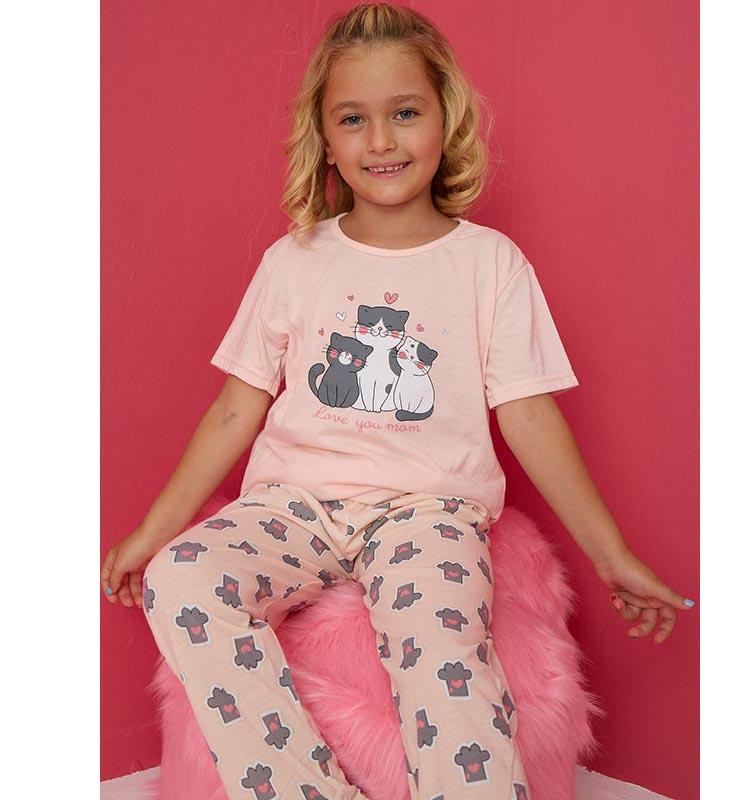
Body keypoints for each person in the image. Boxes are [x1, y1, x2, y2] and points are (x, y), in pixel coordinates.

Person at [101, 4, 695, 799]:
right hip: (296, 506)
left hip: (426, 512)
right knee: (183, 578)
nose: (380, 140)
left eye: (405, 113)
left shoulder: (488, 264)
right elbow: (237, 406)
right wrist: (154, 533)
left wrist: (610, 553)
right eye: (354, 119)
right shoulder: (294, 260)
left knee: (446, 659)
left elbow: (528, 414)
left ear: (444, 119)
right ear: (326, 138)